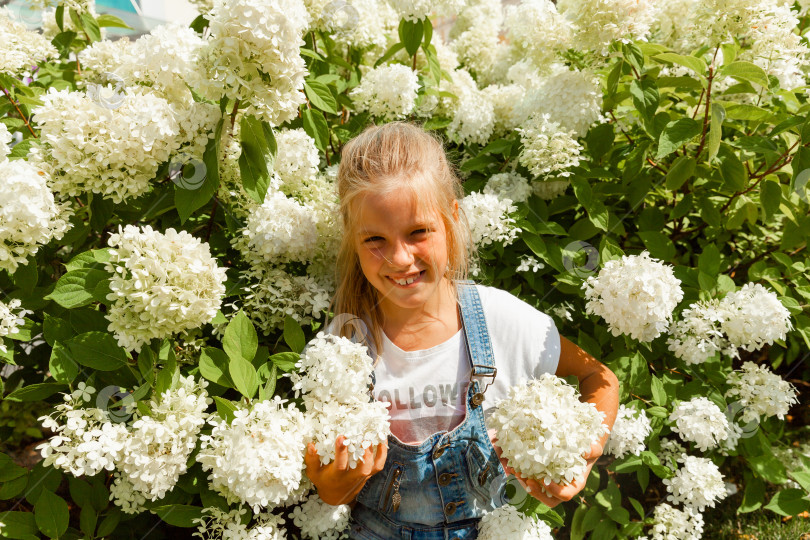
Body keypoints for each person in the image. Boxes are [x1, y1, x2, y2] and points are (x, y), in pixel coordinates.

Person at [303, 121, 619, 539]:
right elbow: (331, 487)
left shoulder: (499, 319)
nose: (400, 258)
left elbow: (600, 377)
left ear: (451, 220)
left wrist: (582, 452)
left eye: (418, 232)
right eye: (375, 239)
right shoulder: (342, 347)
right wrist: (337, 484)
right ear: (352, 237)